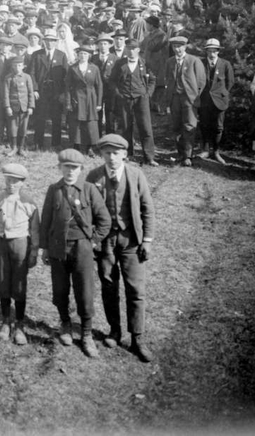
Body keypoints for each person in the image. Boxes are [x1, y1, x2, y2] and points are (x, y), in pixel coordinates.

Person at [85, 134, 155, 362]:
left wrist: (147, 240)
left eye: (116, 153)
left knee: (136, 288)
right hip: (106, 241)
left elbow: (147, 209)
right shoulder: (94, 176)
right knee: (108, 284)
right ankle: (114, 330)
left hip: (130, 240)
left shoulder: (135, 175)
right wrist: (94, 240)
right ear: (101, 154)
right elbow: (88, 213)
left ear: (125, 154)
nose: (112, 158)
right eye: (107, 153)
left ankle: (137, 338)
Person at [39, 148, 111, 358]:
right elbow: (46, 221)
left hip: (82, 248)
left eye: (75, 168)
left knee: (84, 290)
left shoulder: (89, 189)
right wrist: (45, 247)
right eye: (66, 167)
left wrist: (92, 241)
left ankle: (87, 334)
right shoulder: (54, 190)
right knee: (60, 290)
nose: (70, 171)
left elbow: (104, 220)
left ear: (80, 169)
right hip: (58, 249)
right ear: (59, 168)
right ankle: (65, 324)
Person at [0, 161, 40, 345]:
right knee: (3, 280)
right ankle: (6, 320)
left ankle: (20, 324)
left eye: (15, 181)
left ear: (22, 182)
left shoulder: (28, 203)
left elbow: (35, 230)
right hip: (0, 243)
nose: (11, 184)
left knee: (20, 283)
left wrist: (33, 253)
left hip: (20, 243)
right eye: (8, 180)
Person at [165, 35, 206, 166]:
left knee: (189, 126)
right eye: (175, 47)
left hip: (189, 99)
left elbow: (201, 81)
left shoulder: (194, 61)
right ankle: (180, 154)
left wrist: (194, 96)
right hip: (174, 98)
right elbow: (168, 79)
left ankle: (188, 155)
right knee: (176, 126)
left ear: (185, 46)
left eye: (180, 46)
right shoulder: (170, 62)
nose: (177, 49)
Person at [198, 38, 235, 164]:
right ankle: (206, 150)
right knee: (204, 124)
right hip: (204, 100)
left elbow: (230, 82)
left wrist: (222, 94)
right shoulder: (201, 63)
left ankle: (216, 151)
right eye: (209, 51)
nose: (212, 54)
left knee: (218, 127)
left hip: (220, 100)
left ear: (218, 51)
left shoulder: (225, 64)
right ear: (206, 51)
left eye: (214, 51)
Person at [66, 43, 102, 154]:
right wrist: (68, 102)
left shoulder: (94, 68)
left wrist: (99, 103)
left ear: (89, 55)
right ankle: (76, 146)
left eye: (85, 54)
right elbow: (67, 86)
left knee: (90, 123)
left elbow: (99, 85)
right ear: (78, 55)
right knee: (77, 123)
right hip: (77, 98)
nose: (83, 56)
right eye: (81, 54)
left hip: (91, 98)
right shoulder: (73, 68)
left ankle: (91, 147)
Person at [1, 55, 34, 156]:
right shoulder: (8, 78)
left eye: (19, 65)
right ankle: (14, 147)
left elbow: (30, 92)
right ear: (12, 67)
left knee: (23, 128)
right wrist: (7, 107)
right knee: (13, 127)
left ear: (23, 66)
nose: (17, 68)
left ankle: (21, 148)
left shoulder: (27, 77)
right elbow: (5, 94)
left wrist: (30, 106)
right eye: (15, 66)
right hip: (13, 106)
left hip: (24, 106)